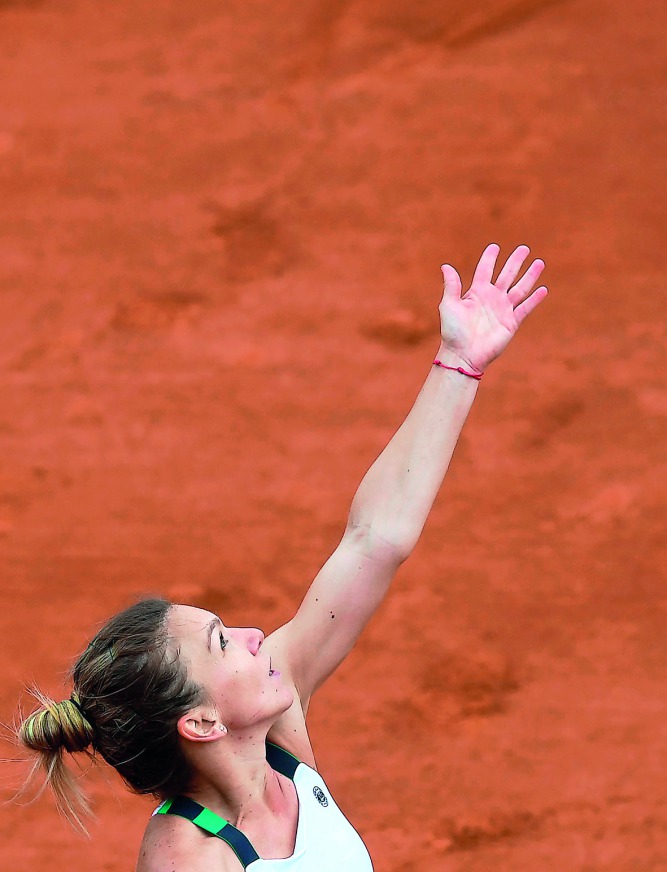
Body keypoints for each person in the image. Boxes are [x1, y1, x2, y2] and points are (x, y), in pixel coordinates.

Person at [4, 243, 547, 871]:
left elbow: (374, 540)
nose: (254, 634)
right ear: (202, 721)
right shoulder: (191, 859)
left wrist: (457, 364)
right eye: (221, 642)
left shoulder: (278, 721)